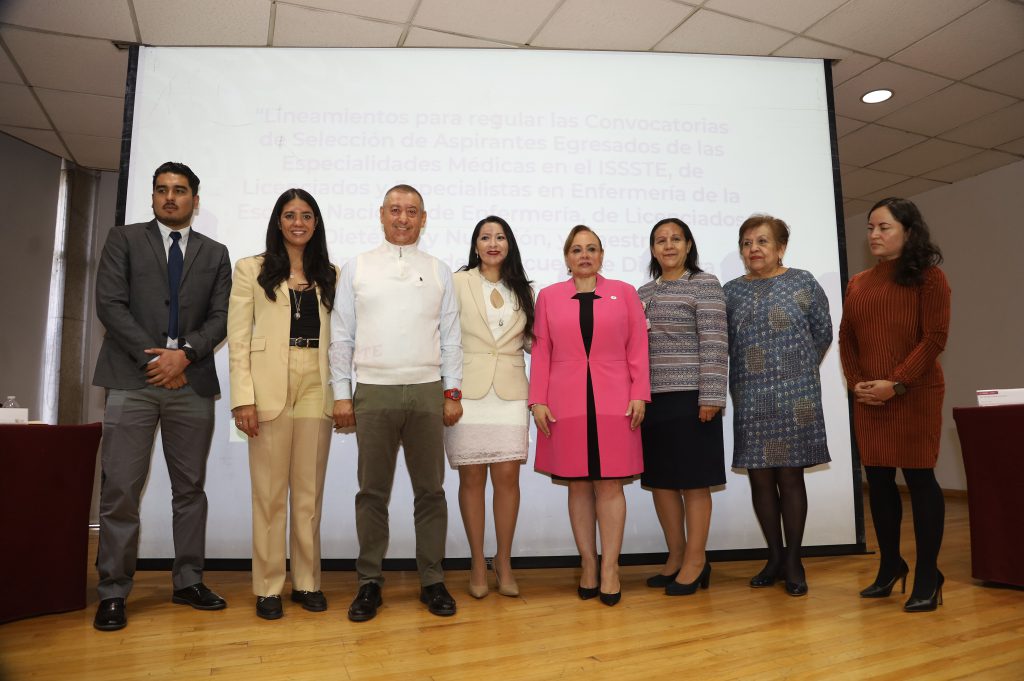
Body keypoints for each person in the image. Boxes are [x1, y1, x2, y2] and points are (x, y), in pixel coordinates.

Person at [92, 162, 232, 631]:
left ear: (195, 198)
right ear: (152, 198)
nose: (170, 197)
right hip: (133, 382)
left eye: (180, 190)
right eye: (162, 190)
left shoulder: (216, 254)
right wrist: (156, 361)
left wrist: (185, 355)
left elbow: (220, 316)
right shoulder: (124, 240)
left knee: (189, 490)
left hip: (190, 384)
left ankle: (188, 580)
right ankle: (113, 590)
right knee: (120, 491)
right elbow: (109, 304)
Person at [329, 184, 463, 621]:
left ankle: (432, 580)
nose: (403, 218)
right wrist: (341, 394)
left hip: (427, 390)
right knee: (372, 493)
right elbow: (341, 336)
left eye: (412, 212)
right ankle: (369, 583)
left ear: (424, 219)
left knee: (431, 492)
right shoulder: (357, 268)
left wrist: (451, 392)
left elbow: (451, 339)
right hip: (373, 390)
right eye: (395, 210)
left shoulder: (439, 270)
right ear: (381, 215)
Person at [227, 189, 338, 620]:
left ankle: (307, 582)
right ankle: (269, 587)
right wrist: (243, 398)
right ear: (278, 221)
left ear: (316, 223)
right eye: (290, 215)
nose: (298, 222)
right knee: (270, 495)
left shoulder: (330, 273)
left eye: (307, 215)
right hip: (269, 382)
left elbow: (342, 339)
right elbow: (238, 339)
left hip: (317, 380)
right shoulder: (250, 270)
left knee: (309, 493)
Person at [839, 197, 950, 612]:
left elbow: (935, 337)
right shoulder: (859, 283)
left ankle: (927, 574)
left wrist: (897, 383)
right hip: (869, 397)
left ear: (908, 230)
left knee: (920, 480)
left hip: (915, 395)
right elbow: (846, 338)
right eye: (870, 228)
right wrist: (857, 384)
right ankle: (890, 566)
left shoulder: (929, 278)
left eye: (883, 227)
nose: (874, 235)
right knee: (880, 482)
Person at [529, 225, 650, 606]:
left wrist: (640, 394)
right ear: (567, 257)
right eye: (577, 249)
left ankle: (611, 568)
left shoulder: (625, 293)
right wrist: (538, 400)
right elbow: (542, 351)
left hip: (616, 401)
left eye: (591, 249)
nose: (584, 255)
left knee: (611, 485)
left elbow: (638, 347)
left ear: (601, 255)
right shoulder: (548, 297)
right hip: (565, 403)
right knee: (577, 484)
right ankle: (588, 565)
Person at [723, 214, 832, 597]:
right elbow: (726, 344)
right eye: (747, 242)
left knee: (790, 476)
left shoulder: (802, 282)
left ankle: (794, 560)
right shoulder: (731, 291)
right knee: (760, 477)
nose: (754, 248)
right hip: (751, 394)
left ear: (781, 247)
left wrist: (797, 370)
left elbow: (823, 332)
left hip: (795, 394)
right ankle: (774, 556)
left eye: (762, 241)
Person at [444, 216, 534, 599]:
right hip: (467, 395)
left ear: (509, 244)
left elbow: (536, 344)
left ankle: (505, 561)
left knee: (508, 481)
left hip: (511, 394)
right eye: (485, 237)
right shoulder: (456, 281)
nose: (493, 243)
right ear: (475, 244)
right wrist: (447, 393)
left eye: (499, 237)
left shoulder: (526, 289)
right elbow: (444, 338)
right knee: (471, 481)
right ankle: (477, 562)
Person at [637, 218, 727, 596]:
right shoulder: (641, 292)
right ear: (653, 249)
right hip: (651, 400)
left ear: (688, 245)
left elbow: (715, 341)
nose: (668, 245)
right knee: (661, 482)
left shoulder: (704, 285)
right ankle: (675, 556)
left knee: (693, 483)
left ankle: (696, 560)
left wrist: (711, 395)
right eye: (660, 240)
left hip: (692, 398)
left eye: (676, 239)